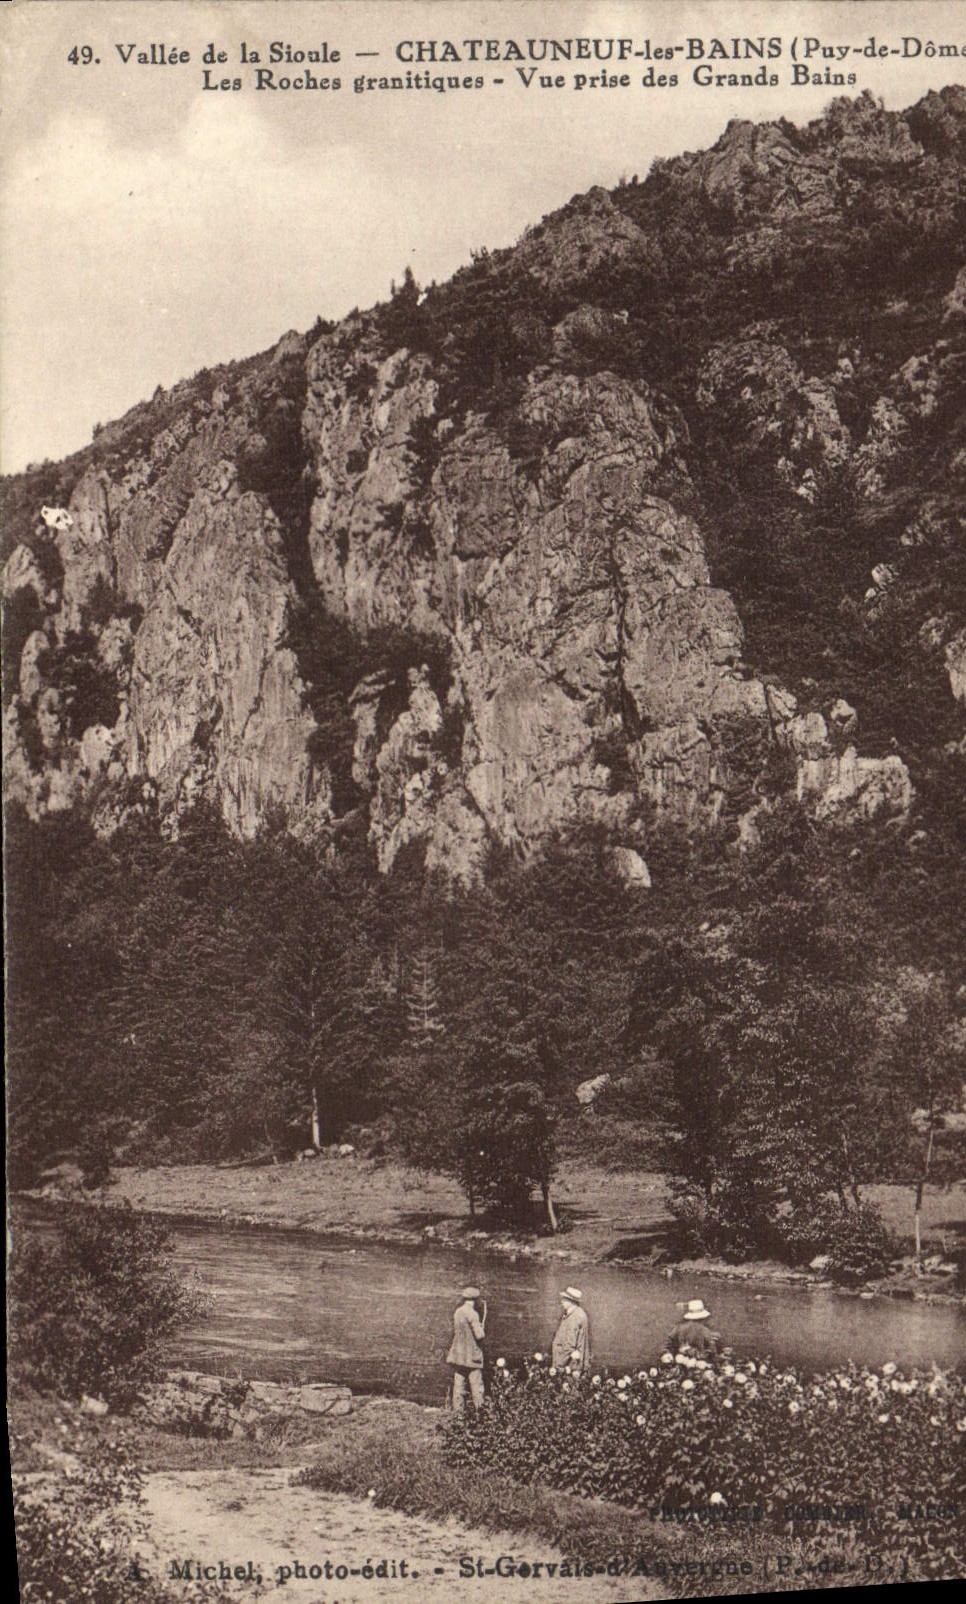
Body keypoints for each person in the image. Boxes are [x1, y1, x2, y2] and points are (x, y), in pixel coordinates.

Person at [446, 1285, 487, 1412]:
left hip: (458, 1354)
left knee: (459, 1385)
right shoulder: (473, 1314)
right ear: (475, 1300)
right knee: (477, 1386)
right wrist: (482, 1326)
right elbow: (480, 1336)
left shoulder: (458, 1312)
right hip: (471, 1356)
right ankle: (480, 1412)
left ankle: (457, 1412)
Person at [551, 1286, 591, 1375]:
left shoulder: (574, 1317)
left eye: (565, 1299)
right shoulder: (577, 1313)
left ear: (572, 1301)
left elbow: (570, 1345)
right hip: (573, 1365)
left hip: (569, 1366)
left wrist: (558, 1366)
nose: (562, 1302)